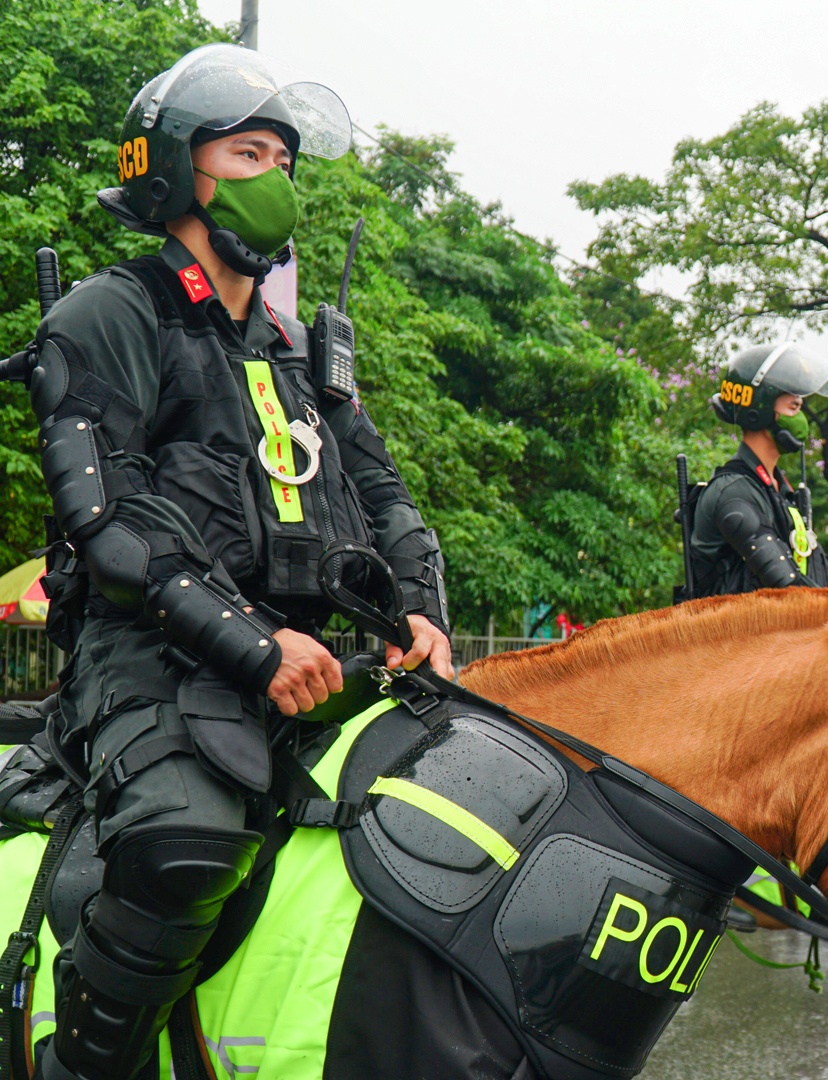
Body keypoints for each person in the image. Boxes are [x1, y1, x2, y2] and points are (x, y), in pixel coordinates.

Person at [19, 45, 452, 1080]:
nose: (275, 180)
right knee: (186, 845)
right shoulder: (106, 314)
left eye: (283, 159)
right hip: (155, 657)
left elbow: (383, 495)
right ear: (173, 169)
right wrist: (254, 644)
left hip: (326, 659)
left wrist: (424, 611)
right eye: (249, 153)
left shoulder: (309, 350)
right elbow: (109, 523)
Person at [686, 343, 828, 597]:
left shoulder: (780, 492)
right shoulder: (733, 494)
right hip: (734, 634)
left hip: (778, 634)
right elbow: (790, 589)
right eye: (793, 407)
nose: (801, 420)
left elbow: (827, 578)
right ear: (758, 412)